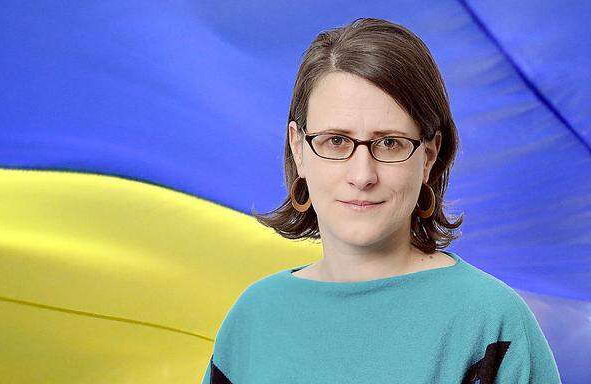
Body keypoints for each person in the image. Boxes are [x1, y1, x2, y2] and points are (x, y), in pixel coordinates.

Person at [202, 17, 561, 383]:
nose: (362, 175)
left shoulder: (491, 323)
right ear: (299, 148)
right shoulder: (252, 320)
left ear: (430, 155)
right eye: (336, 141)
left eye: (389, 143)